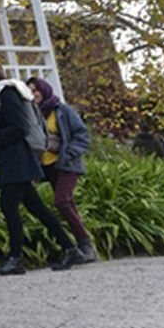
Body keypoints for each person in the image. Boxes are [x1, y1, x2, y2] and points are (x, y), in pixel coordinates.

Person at [0, 59, 78, 274]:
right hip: (15, 161)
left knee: (8, 207)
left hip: (17, 161)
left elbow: (19, 128)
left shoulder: (6, 94)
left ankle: (16, 258)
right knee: (37, 208)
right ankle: (69, 247)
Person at [27, 76, 97, 265]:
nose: (33, 94)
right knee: (69, 204)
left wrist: (70, 153)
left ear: (44, 90)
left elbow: (82, 135)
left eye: (36, 90)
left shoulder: (62, 110)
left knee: (62, 202)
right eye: (30, 91)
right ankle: (84, 247)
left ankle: (85, 244)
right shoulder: (33, 114)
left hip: (67, 163)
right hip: (48, 166)